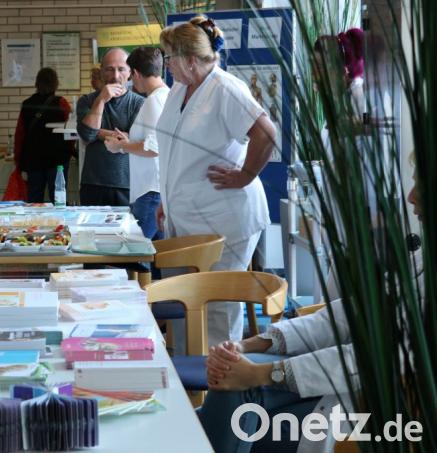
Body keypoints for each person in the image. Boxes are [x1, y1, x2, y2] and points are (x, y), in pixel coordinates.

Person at [198, 168, 424, 453]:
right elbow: (345, 318)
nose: (411, 196)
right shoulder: (422, 261)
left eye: (421, 185)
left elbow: (377, 357)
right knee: (230, 381)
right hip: (336, 383)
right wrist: (247, 345)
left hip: (380, 413)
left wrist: (266, 374)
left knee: (231, 406)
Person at [156, 16, 276, 345]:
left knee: (216, 308)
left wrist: (246, 174)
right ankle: (189, 380)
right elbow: (175, 149)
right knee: (182, 302)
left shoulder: (225, 88)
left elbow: (266, 133)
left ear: (190, 60)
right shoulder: (180, 88)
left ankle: (220, 387)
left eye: (169, 57)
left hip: (224, 219)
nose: (166, 65)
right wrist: (166, 200)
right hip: (185, 218)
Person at [103, 47, 169, 241]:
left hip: (150, 192)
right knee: (156, 258)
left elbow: (153, 148)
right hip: (155, 190)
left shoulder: (153, 101)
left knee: (133, 251)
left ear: (137, 74)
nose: (130, 81)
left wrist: (120, 146)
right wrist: (128, 141)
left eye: (131, 75)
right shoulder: (166, 96)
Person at [77, 48, 145, 206]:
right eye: (109, 69)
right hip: (93, 183)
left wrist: (98, 133)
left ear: (130, 72)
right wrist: (101, 100)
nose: (115, 76)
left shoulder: (139, 103)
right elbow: (87, 134)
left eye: (121, 69)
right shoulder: (87, 101)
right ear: (101, 72)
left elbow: (135, 139)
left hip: (127, 184)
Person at [13, 67, 74, 203]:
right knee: (58, 199)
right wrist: (68, 152)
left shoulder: (27, 104)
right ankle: (60, 223)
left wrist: (18, 160)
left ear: (37, 83)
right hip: (58, 160)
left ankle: (34, 224)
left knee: (34, 200)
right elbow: (71, 131)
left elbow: (20, 135)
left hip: (34, 160)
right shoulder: (61, 103)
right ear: (55, 83)